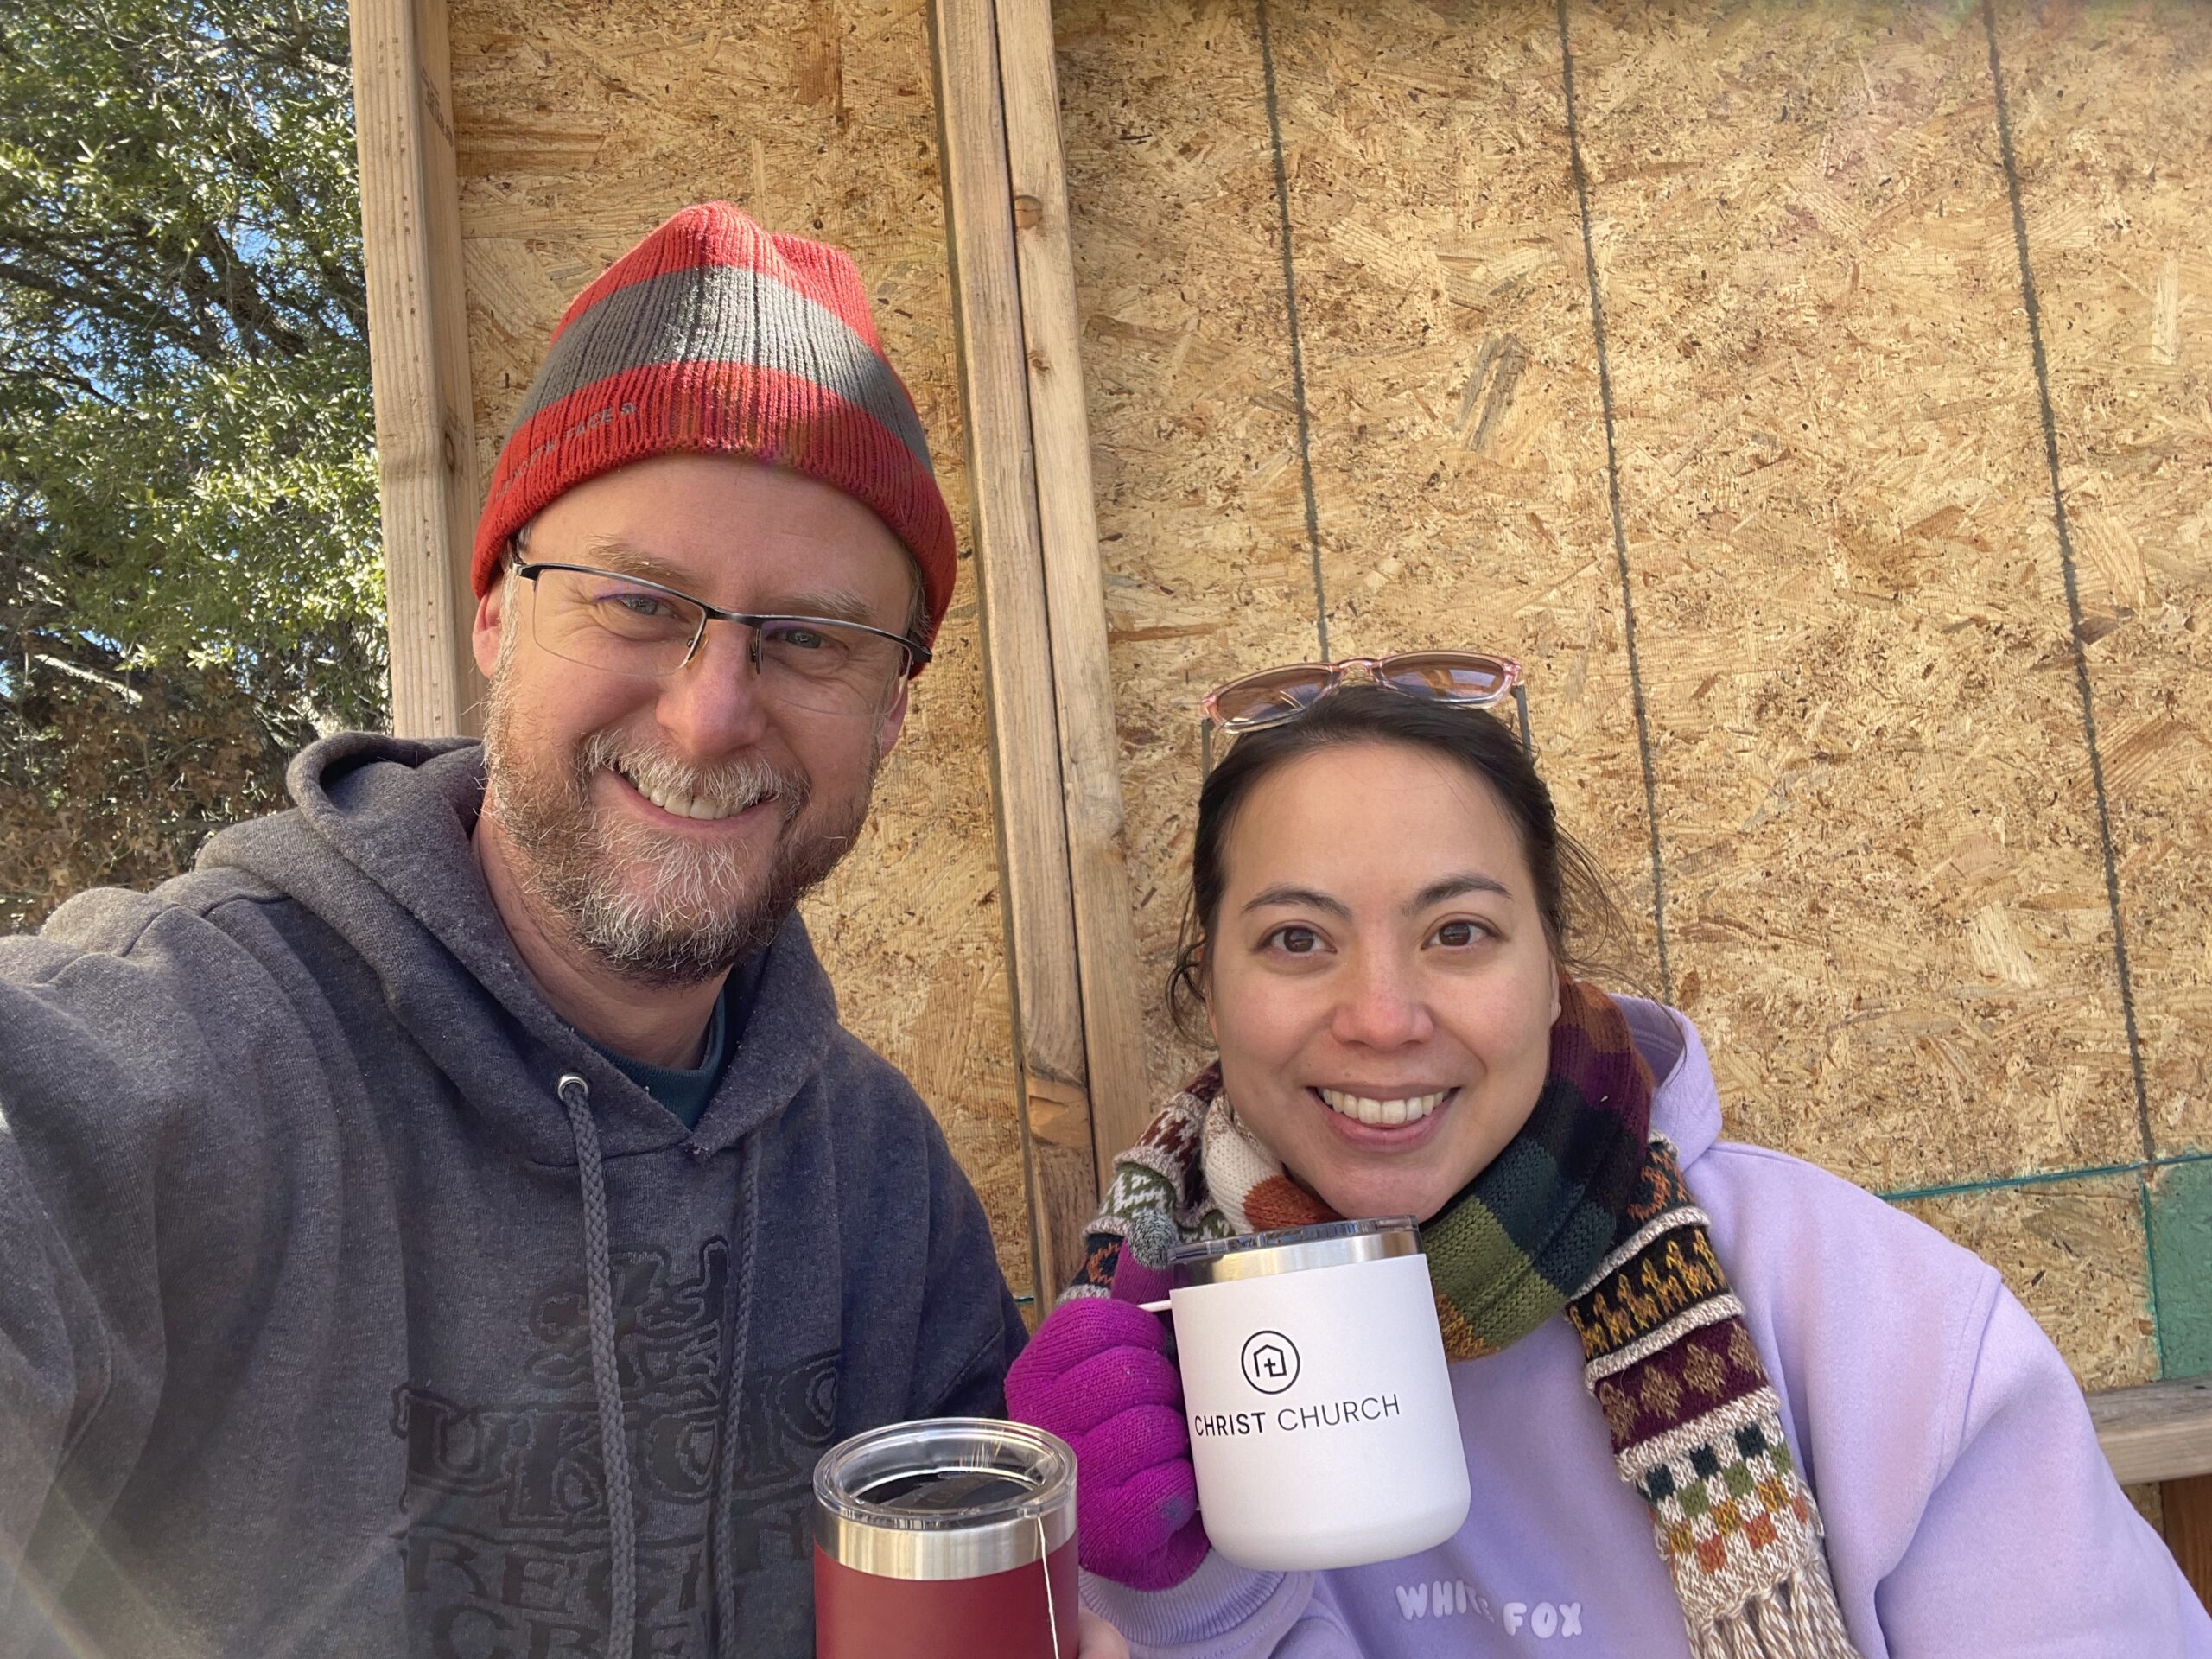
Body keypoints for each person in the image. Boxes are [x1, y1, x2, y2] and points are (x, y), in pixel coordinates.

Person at [0, 202, 1124, 1659]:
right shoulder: (178, 1055)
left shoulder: (879, 1189)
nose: (712, 711)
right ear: (495, 613)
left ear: (893, 706)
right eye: (640, 603)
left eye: (811, 639)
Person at [1006, 658, 2212, 1657]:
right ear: (1209, 987)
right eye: (1297, 938)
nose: (1381, 1016)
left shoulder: (1881, 1325)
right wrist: (1179, 1597)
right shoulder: (1132, 1358)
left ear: (1551, 974)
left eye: (1460, 932)